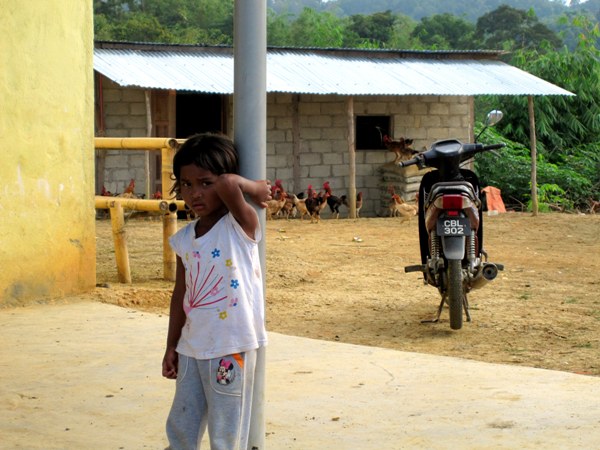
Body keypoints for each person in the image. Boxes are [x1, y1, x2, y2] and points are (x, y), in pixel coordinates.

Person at [162, 133, 271, 450]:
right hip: (191, 346)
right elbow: (180, 296)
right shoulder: (184, 239)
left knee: (226, 430)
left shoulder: (239, 226)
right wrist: (171, 345)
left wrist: (254, 188)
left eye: (205, 183)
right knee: (182, 421)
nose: (194, 193)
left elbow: (228, 184)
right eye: (186, 184)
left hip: (230, 347)